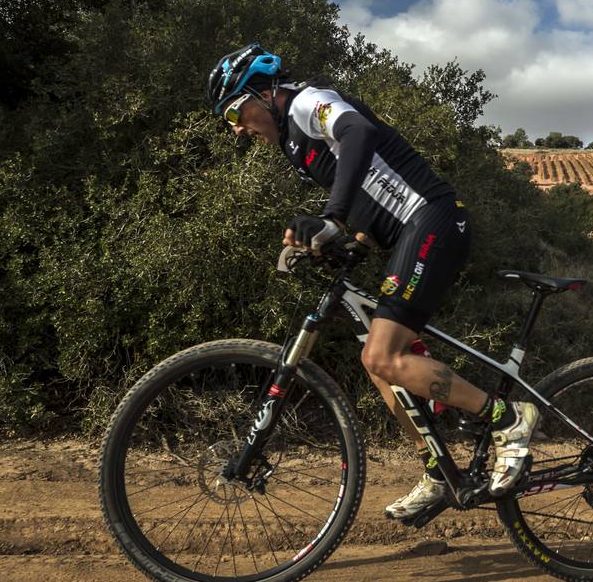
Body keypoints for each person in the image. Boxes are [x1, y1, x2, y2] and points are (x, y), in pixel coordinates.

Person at [205, 43, 538, 521]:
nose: (236, 126)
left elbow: (359, 131)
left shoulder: (305, 103)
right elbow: (369, 191)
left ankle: (508, 418)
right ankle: (439, 471)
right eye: (227, 119)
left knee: (384, 353)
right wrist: (337, 240)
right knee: (378, 363)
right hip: (408, 232)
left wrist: (331, 216)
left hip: (433, 220)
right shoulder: (294, 146)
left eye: (236, 109)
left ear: (266, 92)